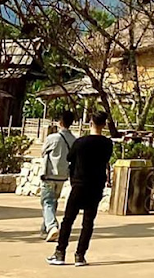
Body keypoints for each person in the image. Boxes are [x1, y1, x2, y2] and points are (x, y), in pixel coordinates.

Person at [48, 111, 113, 267]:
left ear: (90, 123)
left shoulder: (80, 142)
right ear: (104, 125)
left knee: (68, 219)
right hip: (96, 185)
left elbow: (70, 157)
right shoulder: (107, 143)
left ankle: (60, 252)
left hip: (79, 183)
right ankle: (80, 255)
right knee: (88, 222)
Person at [38, 110, 78, 241]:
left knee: (47, 201)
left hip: (49, 175)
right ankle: (45, 230)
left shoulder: (52, 138)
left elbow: (43, 152)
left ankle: (51, 226)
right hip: (62, 176)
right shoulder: (74, 140)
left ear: (60, 122)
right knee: (52, 202)